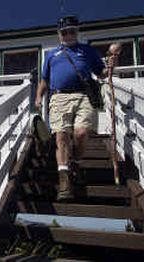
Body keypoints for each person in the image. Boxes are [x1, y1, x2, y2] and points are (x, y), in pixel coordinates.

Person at [34, 16, 120, 201]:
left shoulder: (87, 51)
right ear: (59, 35)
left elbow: (102, 72)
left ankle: (75, 161)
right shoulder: (51, 55)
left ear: (77, 32)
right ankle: (65, 182)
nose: (68, 34)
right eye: (64, 32)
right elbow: (44, 80)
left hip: (84, 95)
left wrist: (111, 64)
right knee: (61, 135)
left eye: (72, 31)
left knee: (81, 133)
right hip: (58, 97)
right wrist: (38, 97)